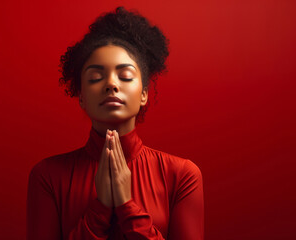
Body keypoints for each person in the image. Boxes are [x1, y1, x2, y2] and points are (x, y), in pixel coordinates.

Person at [27, 6, 204, 240]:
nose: (111, 84)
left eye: (125, 76)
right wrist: (100, 209)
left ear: (144, 94)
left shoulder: (182, 175)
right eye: (95, 78)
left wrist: (126, 205)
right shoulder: (47, 176)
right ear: (80, 95)